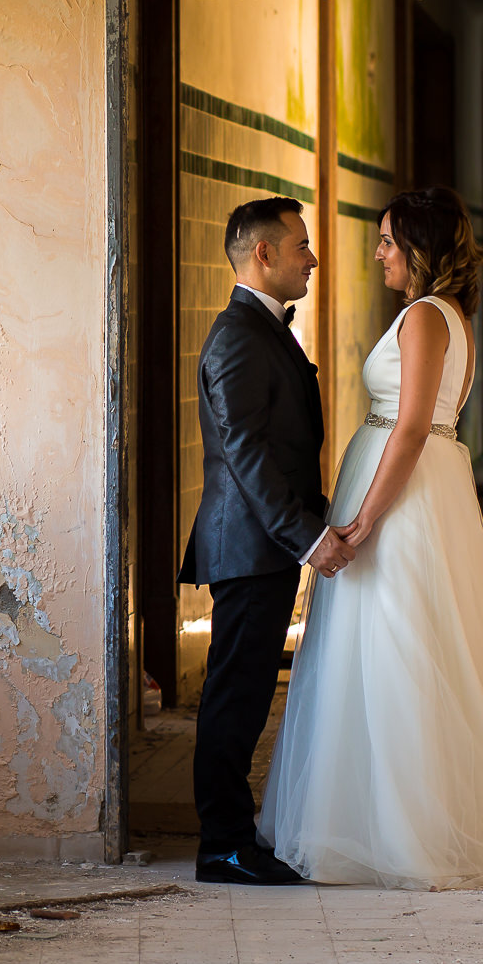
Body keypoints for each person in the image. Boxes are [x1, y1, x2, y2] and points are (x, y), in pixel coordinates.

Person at [258, 186, 483, 889]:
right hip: (419, 488)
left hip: (403, 499)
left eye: (387, 241)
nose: (377, 252)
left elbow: (410, 427)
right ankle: (386, 821)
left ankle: (405, 834)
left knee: (395, 651)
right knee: (391, 651)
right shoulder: (448, 316)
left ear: (418, 248)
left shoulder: (423, 318)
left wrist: (368, 518)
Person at [178, 197, 356, 887]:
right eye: (302, 245)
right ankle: (221, 844)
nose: (311, 258)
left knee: (246, 695)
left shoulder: (262, 330)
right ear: (265, 254)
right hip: (249, 548)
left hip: (264, 546)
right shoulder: (237, 337)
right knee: (235, 696)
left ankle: (233, 834)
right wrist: (308, 539)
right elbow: (248, 456)